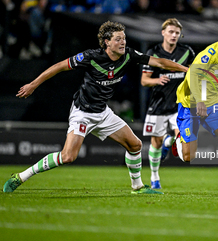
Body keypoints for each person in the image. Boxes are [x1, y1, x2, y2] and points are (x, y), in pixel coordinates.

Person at [3, 20, 188, 194]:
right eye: (118, 39)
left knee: (135, 144)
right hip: (83, 112)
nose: (123, 42)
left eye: (124, 38)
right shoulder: (91, 57)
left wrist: (186, 69)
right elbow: (60, 66)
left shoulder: (129, 55)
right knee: (68, 156)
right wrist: (33, 84)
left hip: (103, 112)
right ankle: (21, 177)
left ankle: (137, 186)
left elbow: (160, 62)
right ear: (107, 42)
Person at [172, 20, 218, 197]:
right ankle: (177, 137)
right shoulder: (213, 52)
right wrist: (198, 100)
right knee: (189, 156)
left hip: (212, 103)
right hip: (190, 102)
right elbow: (192, 73)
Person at [141, 18, 195, 189]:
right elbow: (144, 80)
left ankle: (170, 141)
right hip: (158, 105)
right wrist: (157, 80)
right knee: (155, 143)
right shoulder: (153, 52)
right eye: (171, 32)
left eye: (177, 33)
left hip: (179, 104)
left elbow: (194, 75)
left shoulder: (186, 52)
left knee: (181, 138)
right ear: (163, 33)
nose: (174, 35)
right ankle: (154, 177)